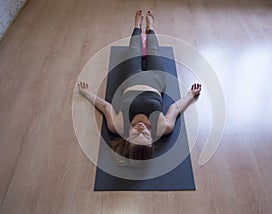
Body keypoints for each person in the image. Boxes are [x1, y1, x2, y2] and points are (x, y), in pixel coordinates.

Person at [78, 10, 201, 164]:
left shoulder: (118, 126)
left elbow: (105, 106)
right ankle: (151, 26)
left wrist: (88, 94)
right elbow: (175, 108)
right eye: (146, 136)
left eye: (136, 135)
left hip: (131, 79)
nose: (142, 130)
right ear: (152, 140)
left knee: (134, 51)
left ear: (127, 139)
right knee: (154, 51)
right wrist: (190, 95)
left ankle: (137, 25)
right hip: (156, 80)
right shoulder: (163, 127)